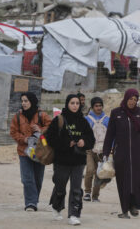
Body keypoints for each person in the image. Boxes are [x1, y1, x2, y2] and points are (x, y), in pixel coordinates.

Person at [103, 89, 140, 219]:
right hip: (121, 153)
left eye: (135, 99)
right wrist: (106, 152)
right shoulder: (116, 113)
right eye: (130, 99)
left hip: (136, 152)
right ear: (126, 98)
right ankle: (124, 210)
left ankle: (134, 205)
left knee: (138, 180)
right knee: (123, 182)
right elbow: (110, 134)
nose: (132, 102)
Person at [46, 94, 95, 225]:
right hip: (61, 161)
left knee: (76, 189)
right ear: (67, 104)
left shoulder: (83, 121)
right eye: (72, 103)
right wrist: (66, 144)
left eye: (77, 103)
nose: (75, 106)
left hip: (78, 160)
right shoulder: (59, 120)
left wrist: (84, 142)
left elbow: (91, 139)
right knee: (60, 186)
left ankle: (74, 214)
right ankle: (56, 207)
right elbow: (50, 138)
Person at [10, 92, 52, 212]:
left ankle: (34, 200)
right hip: (24, 151)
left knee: (38, 179)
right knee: (27, 178)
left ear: (32, 102)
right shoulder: (17, 116)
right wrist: (24, 139)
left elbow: (52, 127)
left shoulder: (42, 115)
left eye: (26, 101)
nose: (23, 103)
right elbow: (13, 132)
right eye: (22, 101)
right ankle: (31, 203)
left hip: (40, 152)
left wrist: (41, 129)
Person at [83, 97, 110, 202]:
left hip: (103, 151)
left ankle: (95, 196)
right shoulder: (87, 119)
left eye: (100, 106)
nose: (98, 108)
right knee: (90, 170)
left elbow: (111, 135)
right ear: (92, 107)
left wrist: (111, 147)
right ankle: (87, 192)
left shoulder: (107, 119)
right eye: (96, 106)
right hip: (90, 150)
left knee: (100, 173)